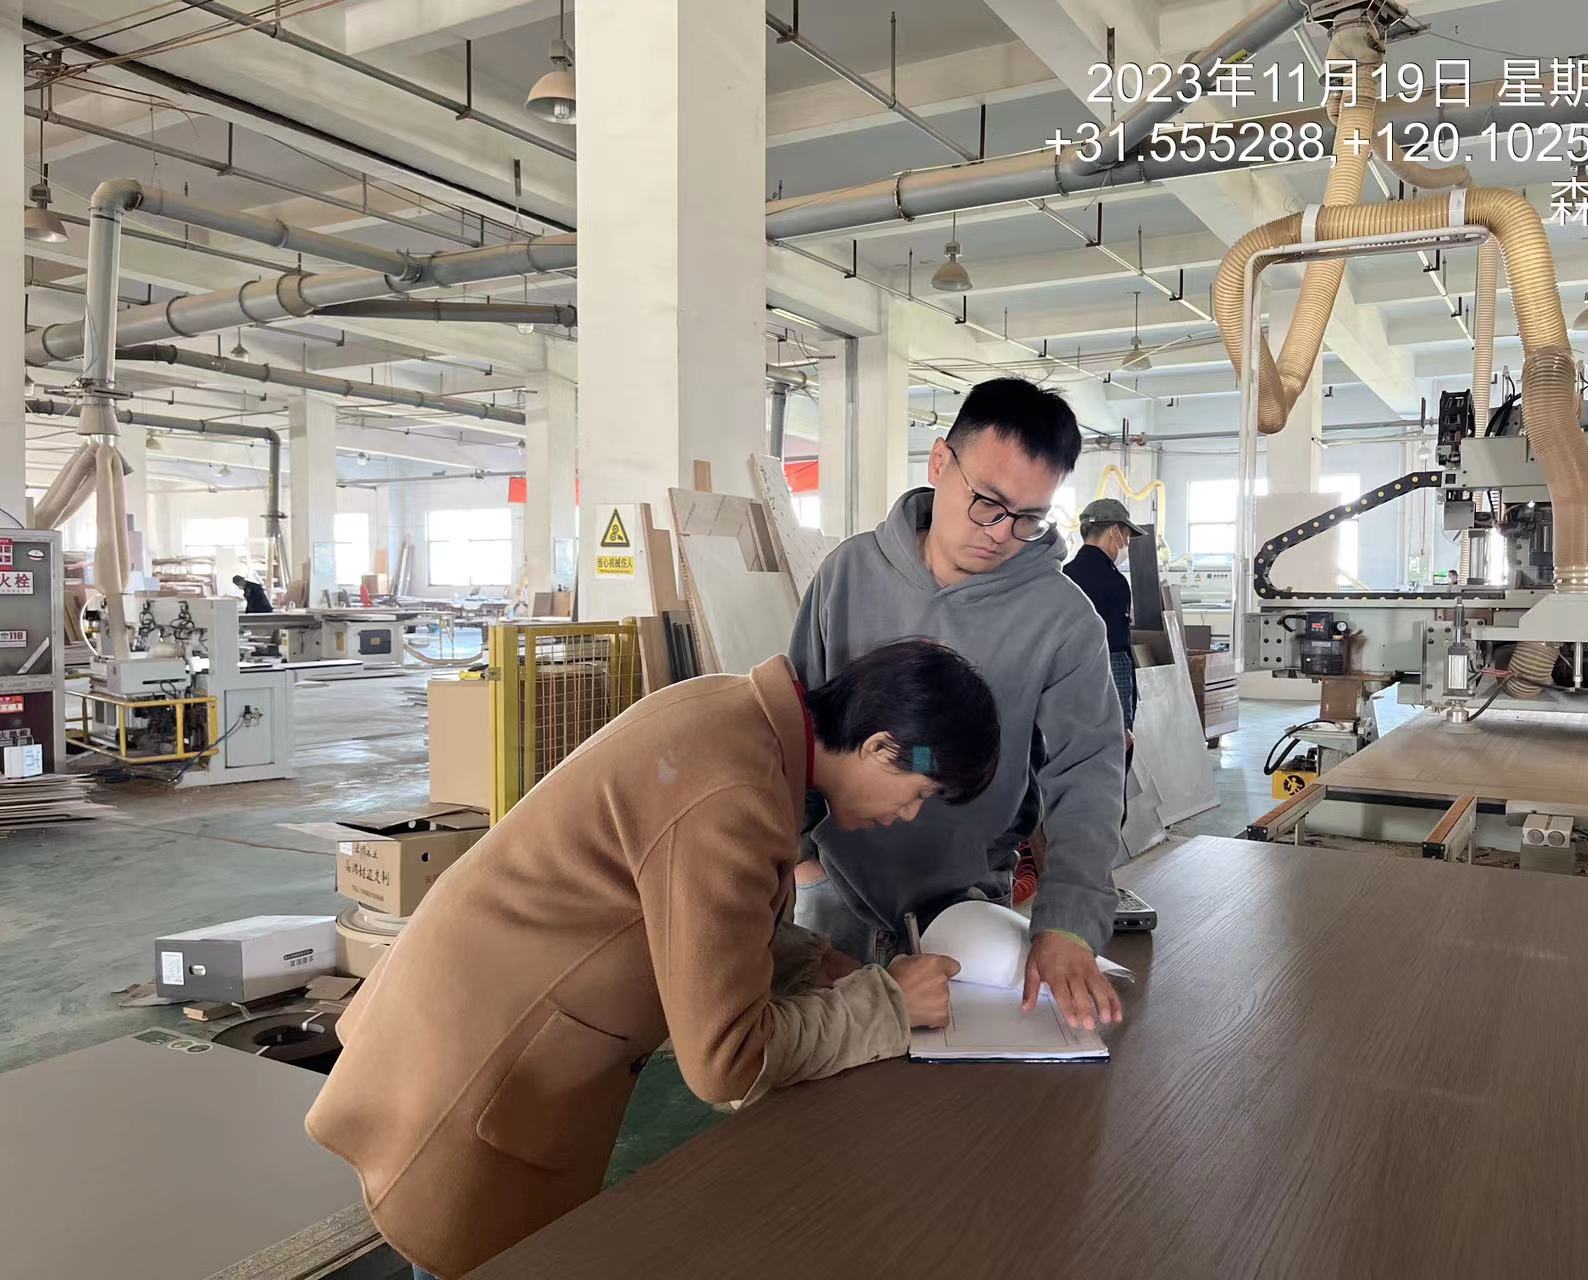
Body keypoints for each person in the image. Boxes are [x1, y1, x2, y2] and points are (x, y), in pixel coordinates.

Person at [307, 641, 999, 1280]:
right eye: (919, 793)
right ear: (880, 747)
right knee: (471, 1253)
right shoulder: (736, 791)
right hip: (475, 1064)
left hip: (466, 1019)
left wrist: (823, 966)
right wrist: (887, 1007)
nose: (909, 815)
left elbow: (689, 912)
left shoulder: (735, 718)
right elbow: (727, 1062)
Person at [791, 376, 1127, 1036]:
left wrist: (1069, 919)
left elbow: (1087, 772)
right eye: (988, 503)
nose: (1001, 533)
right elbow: (798, 723)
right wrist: (797, 860)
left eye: (1029, 518)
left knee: (962, 1086)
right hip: (832, 891)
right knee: (823, 1073)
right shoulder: (848, 573)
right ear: (940, 462)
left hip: (967, 908)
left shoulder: (1063, 620)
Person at [1063, 498, 1142, 734]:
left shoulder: (1065, 575)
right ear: (1114, 532)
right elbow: (1116, 652)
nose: (1126, 543)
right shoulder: (1114, 582)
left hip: (1068, 685)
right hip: (1108, 683)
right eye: (1126, 536)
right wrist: (1124, 723)